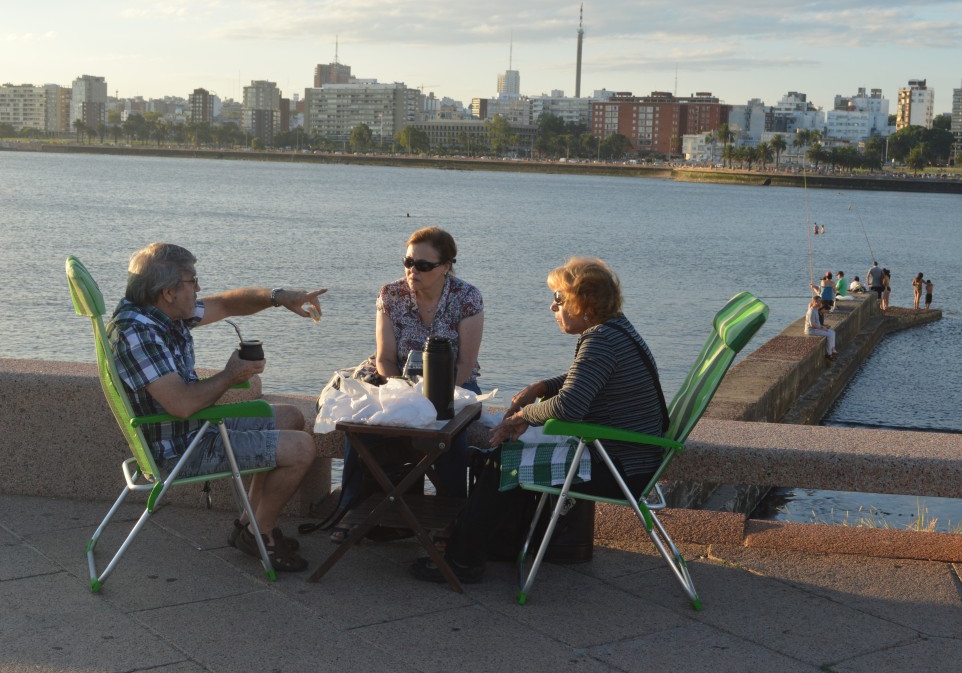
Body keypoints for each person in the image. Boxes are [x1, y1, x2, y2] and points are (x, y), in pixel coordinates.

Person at [409, 256, 666, 585]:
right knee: (506, 457)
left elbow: (570, 406)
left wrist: (522, 418)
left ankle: (463, 562)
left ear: (582, 301)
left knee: (504, 462)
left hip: (618, 468)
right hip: (631, 457)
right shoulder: (616, 330)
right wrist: (542, 386)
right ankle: (499, 545)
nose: (552, 307)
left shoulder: (600, 340)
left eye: (559, 299)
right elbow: (585, 378)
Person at [107, 243, 325, 572]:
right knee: (301, 447)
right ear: (168, 291)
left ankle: (247, 525)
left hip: (194, 429)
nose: (199, 288)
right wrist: (230, 375)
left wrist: (279, 297)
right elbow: (181, 404)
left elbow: (226, 304)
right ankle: (260, 531)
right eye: (192, 281)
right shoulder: (138, 334)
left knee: (291, 417)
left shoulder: (160, 313)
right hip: (179, 450)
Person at [334, 226, 484, 541]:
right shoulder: (391, 294)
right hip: (398, 383)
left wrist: (433, 401)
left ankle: (450, 520)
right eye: (408, 262)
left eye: (423, 265)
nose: (412, 271)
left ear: (446, 267)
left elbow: (466, 365)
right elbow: (385, 358)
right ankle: (349, 514)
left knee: (451, 433)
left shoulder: (466, 297)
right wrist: (402, 395)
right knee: (358, 426)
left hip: (456, 384)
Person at [805, 295, 837, 360]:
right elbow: (812, 325)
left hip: (816, 328)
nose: (821, 303)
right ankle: (829, 354)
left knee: (832, 332)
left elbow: (818, 323)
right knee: (829, 334)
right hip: (811, 330)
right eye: (819, 301)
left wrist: (823, 326)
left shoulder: (816, 310)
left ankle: (832, 349)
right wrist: (822, 328)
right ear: (815, 302)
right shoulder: (811, 311)